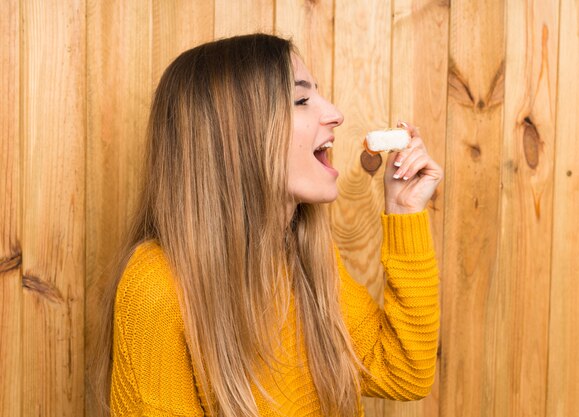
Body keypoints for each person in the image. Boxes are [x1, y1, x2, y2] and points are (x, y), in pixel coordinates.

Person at [91, 33, 442, 417]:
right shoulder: (156, 286)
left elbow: (404, 372)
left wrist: (405, 209)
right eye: (302, 100)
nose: (336, 113)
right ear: (238, 135)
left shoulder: (305, 256)